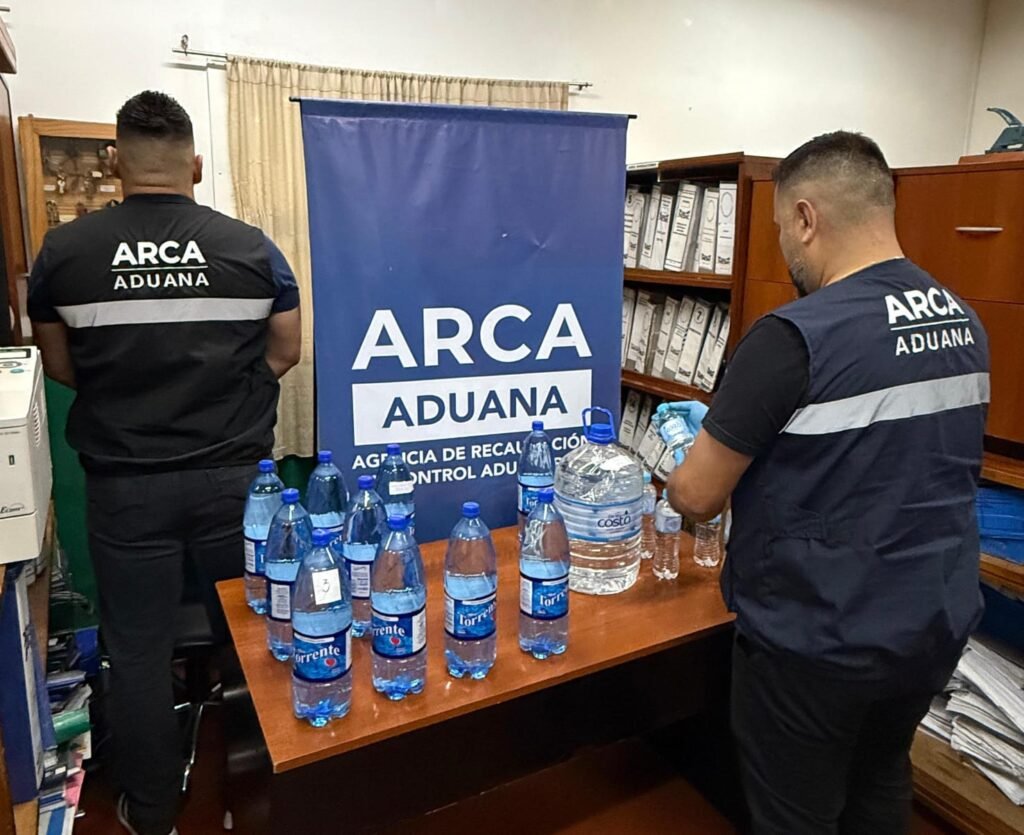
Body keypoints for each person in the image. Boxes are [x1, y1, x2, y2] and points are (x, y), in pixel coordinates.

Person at [662, 131, 989, 834]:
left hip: (820, 640)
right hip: (930, 625)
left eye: (783, 230)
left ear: (806, 217)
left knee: (796, 814)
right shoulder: (963, 320)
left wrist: (688, 450)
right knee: (880, 777)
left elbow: (695, 496)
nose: (786, 250)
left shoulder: (792, 336)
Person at [28, 91, 301, 835]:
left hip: (127, 488)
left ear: (116, 164)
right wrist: (222, 401)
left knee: (139, 650)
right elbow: (285, 351)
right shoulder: (253, 249)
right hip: (234, 482)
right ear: (197, 166)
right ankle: (262, 797)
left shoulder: (64, 254)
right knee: (255, 632)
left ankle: (151, 811)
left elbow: (61, 365)